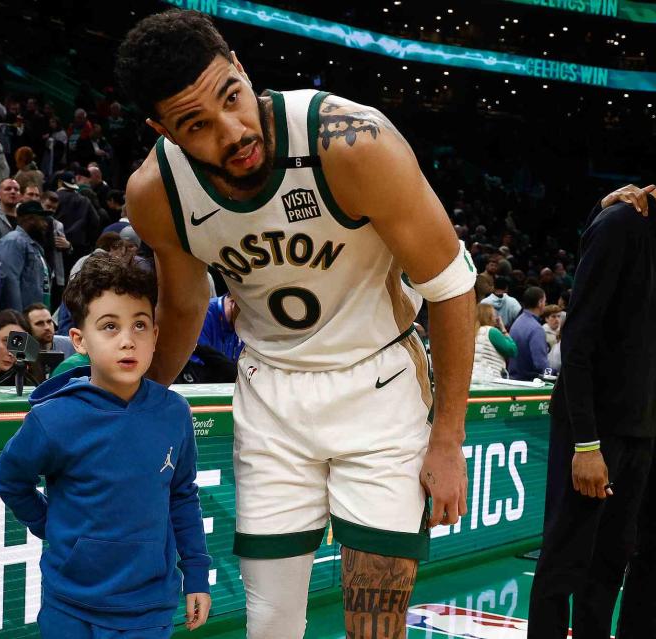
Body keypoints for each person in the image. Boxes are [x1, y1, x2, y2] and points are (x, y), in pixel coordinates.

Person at [116, 10, 476, 636]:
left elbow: (451, 287)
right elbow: (181, 304)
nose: (231, 132)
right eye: (196, 125)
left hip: (379, 383)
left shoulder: (354, 143)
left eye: (233, 97)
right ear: (161, 130)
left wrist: (447, 437)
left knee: (375, 621)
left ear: (242, 69)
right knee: (270, 622)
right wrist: (141, 406)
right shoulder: (155, 193)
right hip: (270, 388)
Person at [0, 252, 211, 638]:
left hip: (150, 609)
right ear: (80, 340)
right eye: (110, 326)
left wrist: (195, 572)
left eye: (140, 325)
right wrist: (49, 524)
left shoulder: (174, 413)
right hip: (70, 607)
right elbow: (10, 478)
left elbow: (182, 496)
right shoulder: (53, 418)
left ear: (156, 335)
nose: (128, 340)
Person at [528, 171, 656, 638]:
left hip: (643, 430)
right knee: (563, 566)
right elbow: (579, 338)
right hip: (593, 431)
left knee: (609, 566)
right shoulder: (620, 224)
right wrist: (586, 442)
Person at [0, 199, 52, 312]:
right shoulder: (13, 240)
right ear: (29, 219)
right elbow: (9, 280)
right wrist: (17, 318)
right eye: (42, 220)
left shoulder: (34, 245)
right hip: (22, 319)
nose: (46, 225)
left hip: (35, 317)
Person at [508, 286, 548, 381]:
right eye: (545, 301)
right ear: (540, 303)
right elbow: (540, 364)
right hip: (529, 385)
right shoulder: (536, 329)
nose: (545, 304)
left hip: (513, 381)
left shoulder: (517, 322)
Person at [471, 302, 516, 384]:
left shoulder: (473, 332)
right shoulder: (492, 332)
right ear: (490, 317)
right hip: (490, 377)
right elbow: (512, 350)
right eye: (494, 314)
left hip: (474, 378)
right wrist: (503, 329)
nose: (496, 317)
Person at [197, 293, 244, 363]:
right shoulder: (203, 314)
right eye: (247, 312)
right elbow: (195, 365)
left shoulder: (242, 327)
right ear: (234, 300)